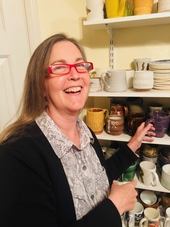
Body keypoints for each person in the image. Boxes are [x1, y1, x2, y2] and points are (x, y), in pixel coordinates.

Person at [0, 33, 155, 227]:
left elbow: (98, 177)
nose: (74, 75)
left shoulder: (85, 132)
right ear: (41, 85)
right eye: (60, 67)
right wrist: (114, 206)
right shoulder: (16, 155)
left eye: (80, 65)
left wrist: (132, 145)